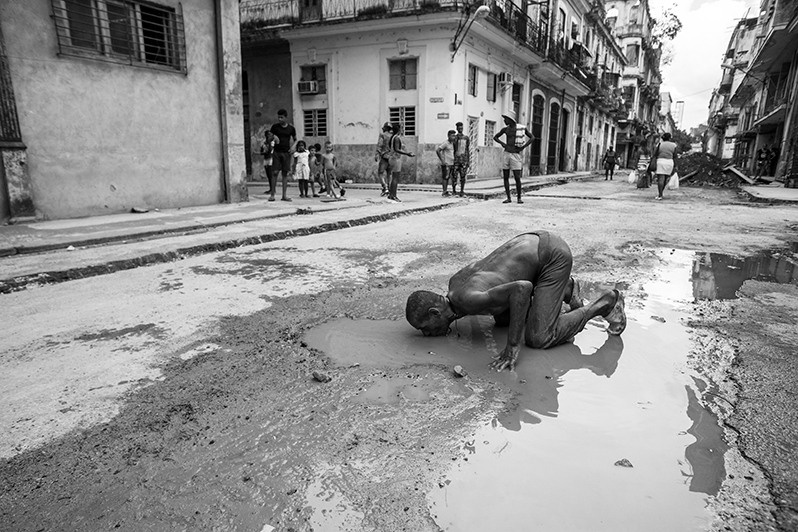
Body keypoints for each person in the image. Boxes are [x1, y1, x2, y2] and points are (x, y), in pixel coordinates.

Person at [405, 232, 626, 372]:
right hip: (533, 242)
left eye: (425, 328)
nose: (427, 334)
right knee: (501, 319)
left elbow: (522, 288)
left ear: (436, 313)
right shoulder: (455, 284)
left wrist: (511, 348)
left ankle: (605, 303)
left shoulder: (468, 300)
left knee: (538, 337)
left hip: (552, 257)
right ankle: (565, 288)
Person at [493, 114, 533, 204]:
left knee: (517, 177)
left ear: (510, 120)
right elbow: (495, 137)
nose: (504, 121)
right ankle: (508, 197)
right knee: (506, 177)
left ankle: (519, 198)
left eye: (505, 119)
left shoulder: (520, 129)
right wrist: (502, 144)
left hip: (515, 154)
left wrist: (524, 147)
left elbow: (532, 137)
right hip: (506, 153)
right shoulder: (505, 129)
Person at [270, 109, 297, 202]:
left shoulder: (291, 129)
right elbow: (269, 136)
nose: (280, 119)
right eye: (278, 117)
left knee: (285, 174)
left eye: (281, 117)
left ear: (286, 117)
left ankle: (284, 195)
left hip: (287, 153)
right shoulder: (275, 127)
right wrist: (273, 137)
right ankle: (272, 194)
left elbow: (296, 139)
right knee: (274, 172)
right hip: (277, 152)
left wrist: (293, 147)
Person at [386, 122, 415, 202]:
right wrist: (407, 153)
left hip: (391, 158)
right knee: (395, 178)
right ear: (399, 129)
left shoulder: (392, 137)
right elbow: (397, 149)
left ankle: (391, 195)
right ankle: (394, 195)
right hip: (396, 158)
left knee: (393, 177)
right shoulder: (397, 138)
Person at [653, 132, 678, 200]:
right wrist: (676, 165)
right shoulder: (674, 145)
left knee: (660, 178)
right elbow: (675, 156)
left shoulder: (659, 144)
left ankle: (660, 194)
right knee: (666, 179)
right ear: (670, 138)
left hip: (660, 161)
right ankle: (661, 193)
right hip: (669, 162)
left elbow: (655, 154)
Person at [436, 130, 457, 197]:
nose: (454, 137)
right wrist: (442, 160)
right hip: (446, 163)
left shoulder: (453, 144)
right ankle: (444, 191)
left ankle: (453, 191)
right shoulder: (445, 143)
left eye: (454, 135)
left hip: (452, 163)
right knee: (445, 177)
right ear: (448, 136)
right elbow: (438, 150)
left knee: (453, 177)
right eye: (452, 135)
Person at [452, 122, 470, 197]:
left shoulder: (466, 138)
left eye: (461, 128)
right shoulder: (454, 138)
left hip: (464, 160)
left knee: (463, 176)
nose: (460, 129)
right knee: (454, 176)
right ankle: (454, 190)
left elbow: (467, 149)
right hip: (456, 160)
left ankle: (462, 190)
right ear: (457, 128)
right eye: (459, 128)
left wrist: (468, 160)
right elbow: (453, 148)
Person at [375, 122, 393, 196]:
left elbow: (380, 145)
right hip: (392, 157)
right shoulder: (392, 136)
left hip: (384, 157)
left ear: (385, 128)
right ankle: (389, 188)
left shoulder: (382, 135)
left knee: (380, 173)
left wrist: (377, 154)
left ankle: (385, 187)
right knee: (389, 174)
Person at [260, 131, 276, 199]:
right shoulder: (263, 142)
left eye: (270, 135)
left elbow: (270, 150)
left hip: (271, 159)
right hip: (266, 159)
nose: (269, 136)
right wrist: (263, 152)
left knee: (271, 175)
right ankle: (271, 188)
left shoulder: (272, 143)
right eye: (268, 135)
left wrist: (268, 144)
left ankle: (273, 189)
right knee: (268, 175)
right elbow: (261, 151)